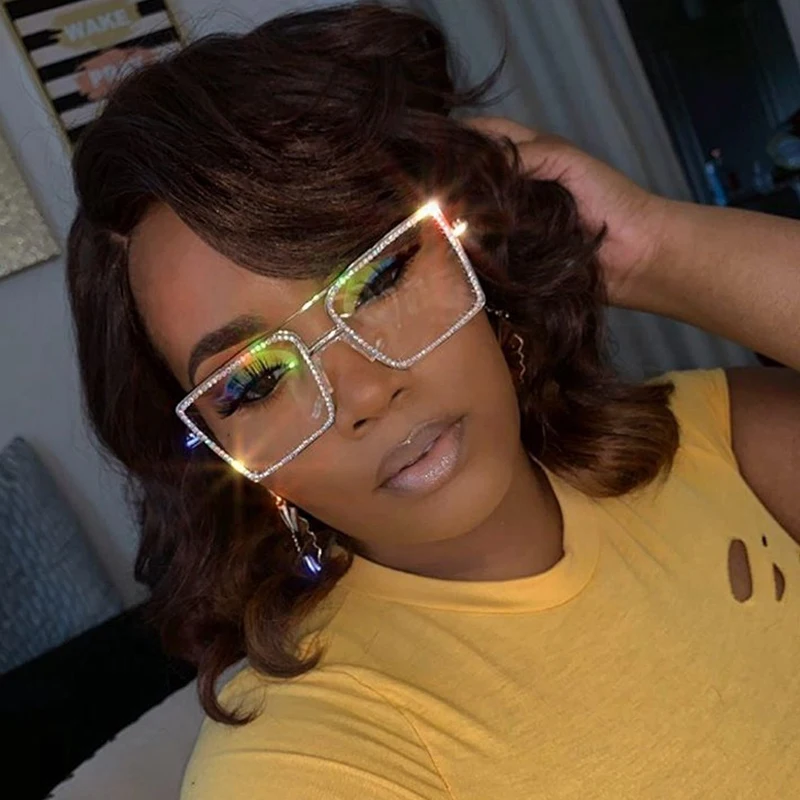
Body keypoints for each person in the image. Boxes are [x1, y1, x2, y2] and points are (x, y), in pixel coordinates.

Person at [65, 4, 800, 798]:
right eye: (255, 381)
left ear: (467, 252)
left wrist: (648, 248)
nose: (364, 391)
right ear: (216, 450)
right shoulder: (304, 763)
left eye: (378, 279)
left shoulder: (708, 441)